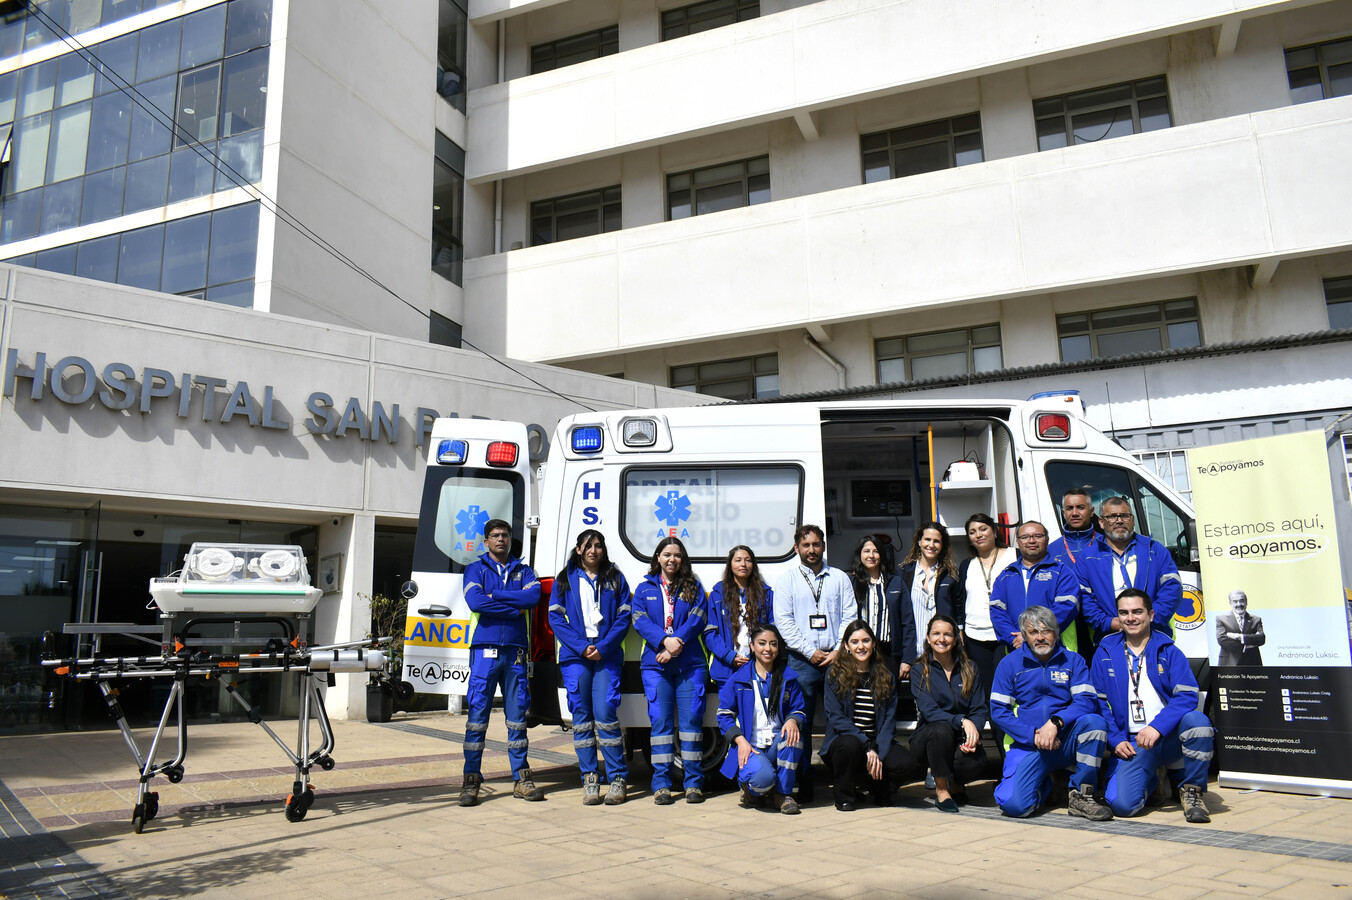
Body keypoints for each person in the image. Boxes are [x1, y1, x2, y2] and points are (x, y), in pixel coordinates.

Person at [1091, 588, 1215, 823]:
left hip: (1167, 736)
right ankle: (1154, 779)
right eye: (1124, 613)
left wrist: (1157, 727)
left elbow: (1187, 695)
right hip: (1133, 741)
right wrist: (1116, 740)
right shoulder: (1104, 652)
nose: (1131, 618)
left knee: (1198, 723)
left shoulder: (1168, 650)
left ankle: (1193, 792)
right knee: (1122, 806)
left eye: (1137, 611)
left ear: (1151, 615)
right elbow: (1096, 702)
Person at [990, 605, 1111, 820]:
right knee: (1015, 806)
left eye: (1046, 631)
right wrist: (1033, 735)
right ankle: (1045, 783)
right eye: (1033, 632)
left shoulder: (1073, 661)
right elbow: (999, 711)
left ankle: (1081, 795)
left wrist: (1056, 722)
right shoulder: (1009, 664)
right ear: (1025, 636)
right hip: (1029, 744)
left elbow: (1086, 701)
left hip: (1064, 740)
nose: (1040, 637)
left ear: (1056, 632)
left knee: (1095, 724)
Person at [458, 519, 544, 807]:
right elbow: (476, 602)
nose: (500, 540)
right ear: (486, 541)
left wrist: (499, 596)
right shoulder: (475, 569)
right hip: (485, 649)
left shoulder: (524, 570)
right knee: (477, 718)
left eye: (505, 535)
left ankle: (521, 778)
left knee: (517, 717)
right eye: (494, 536)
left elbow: (533, 597)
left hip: (516, 651)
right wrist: (513, 610)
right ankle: (471, 780)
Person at [548, 529, 632, 806]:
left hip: (606, 655)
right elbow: (556, 620)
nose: (594, 550)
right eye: (589, 546)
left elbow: (624, 617)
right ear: (578, 550)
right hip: (576, 656)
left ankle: (618, 779)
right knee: (581, 717)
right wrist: (581, 647)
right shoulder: (564, 580)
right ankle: (590, 780)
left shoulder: (615, 578)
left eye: (598, 545)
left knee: (606, 713)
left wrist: (604, 647)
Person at [772, 525, 854, 803]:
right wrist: (810, 652)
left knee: (840, 719)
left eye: (816, 545)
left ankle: (840, 778)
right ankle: (803, 780)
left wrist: (839, 650)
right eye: (805, 545)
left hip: (836, 659)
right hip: (801, 661)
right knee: (800, 723)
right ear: (797, 548)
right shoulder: (786, 581)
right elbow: (784, 622)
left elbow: (849, 616)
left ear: (823, 547)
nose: (811, 550)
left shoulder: (840, 578)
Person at [632, 536, 709, 805]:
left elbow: (699, 617)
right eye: (666, 554)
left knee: (691, 726)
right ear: (657, 558)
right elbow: (638, 620)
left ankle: (694, 784)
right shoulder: (644, 589)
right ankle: (662, 784)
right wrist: (664, 642)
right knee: (661, 725)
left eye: (677, 555)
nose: (672, 559)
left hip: (690, 664)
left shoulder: (694, 587)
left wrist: (676, 644)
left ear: (683, 559)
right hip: (656, 664)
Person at [820, 619, 922, 811]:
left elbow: (889, 722)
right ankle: (844, 796)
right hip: (846, 742)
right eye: (855, 642)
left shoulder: (886, 676)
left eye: (866, 641)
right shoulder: (834, 675)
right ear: (846, 646)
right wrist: (866, 745)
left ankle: (878, 787)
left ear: (874, 644)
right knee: (849, 745)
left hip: (876, 742)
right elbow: (835, 717)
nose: (861, 646)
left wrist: (877, 751)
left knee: (907, 763)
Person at [716, 623, 805, 815]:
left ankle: (783, 795)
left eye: (773, 644)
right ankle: (752, 790)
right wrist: (740, 741)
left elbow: (798, 710)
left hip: (776, 744)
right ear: (752, 645)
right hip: (751, 746)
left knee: (794, 738)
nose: (768, 649)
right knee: (763, 779)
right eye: (762, 643)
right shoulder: (739, 679)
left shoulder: (788, 677)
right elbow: (723, 715)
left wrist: (793, 720)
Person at [909, 614, 988, 813]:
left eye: (947, 634)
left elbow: (979, 709)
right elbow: (930, 712)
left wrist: (974, 732)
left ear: (956, 638)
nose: (941, 639)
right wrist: (962, 720)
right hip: (929, 738)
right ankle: (942, 790)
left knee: (975, 763)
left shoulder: (970, 668)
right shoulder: (919, 670)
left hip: (961, 736)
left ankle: (958, 783)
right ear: (928, 638)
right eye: (936, 634)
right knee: (940, 729)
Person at [1079, 497, 1182, 641]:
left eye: (1124, 516)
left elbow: (1172, 589)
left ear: (1133, 520)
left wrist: (1148, 619)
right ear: (1101, 522)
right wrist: (1109, 623)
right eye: (1112, 516)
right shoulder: (1087, 557)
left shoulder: (1155, 550)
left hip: (1154, 636)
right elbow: (1084, 599)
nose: (1119, 521)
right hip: (1110, 639)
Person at [956, 513, 1015, 727]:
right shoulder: (966, 565)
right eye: (972, 532)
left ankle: (1010, 733)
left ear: (994, 530)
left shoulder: (1014, 555)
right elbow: (962, 599)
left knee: (1007, 688)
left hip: (1006, 634)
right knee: (986, 688)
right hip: (975, 635)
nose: (978, 535)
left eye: (982, 529)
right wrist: (961, 629)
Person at [988, 521, 1082, 652]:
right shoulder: (1006, 575)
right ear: (1018, 542)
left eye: (1038, 536)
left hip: (1057, 651)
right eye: (1025, 537)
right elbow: (997, 611)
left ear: (1047, 539)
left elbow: (1067, 607)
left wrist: (1032, 634)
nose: (1031, 541)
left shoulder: (1061, 572)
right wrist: (1013, 638)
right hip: (1017, 649)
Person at [705, 545, 774, 689]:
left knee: (755, 710)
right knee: (729, 710)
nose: (743, 564)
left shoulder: (766, 594)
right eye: (738, 560)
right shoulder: (717, 595)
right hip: (726, 668)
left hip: (758, 667)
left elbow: (772, 630)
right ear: (730, 565)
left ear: (753, 565)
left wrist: (757, 655)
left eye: (748, 560)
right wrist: (729, 656)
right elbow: (710, 633)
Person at [894, 522, 960, 667]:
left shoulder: (950, 575)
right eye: (927, 540)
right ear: (919, 541)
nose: (931, 545)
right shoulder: (903, 573)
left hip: (942, 652)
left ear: (942, 545)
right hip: (912, 653)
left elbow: (958, 612)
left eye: (936, 541)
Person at [849, 535, 904, 663]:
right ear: (859, 555)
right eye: (866, 551)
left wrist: (906, 659)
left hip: (888, 651)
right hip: (859, 650)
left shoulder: (895, 582)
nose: (871, 556)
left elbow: (907, 621)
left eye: (876, 551)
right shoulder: (851, 582)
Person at [1048, 487, 1098, 567]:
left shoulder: (1105, 544)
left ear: (1091, 511)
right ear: (1064, 513)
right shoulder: (1050, 550)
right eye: (1070, 508)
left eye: (1080, 507)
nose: (1074, 513)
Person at [1216, 590, 1265, 666]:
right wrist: (1249, 643)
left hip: (1252, 663)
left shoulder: (1256, 619)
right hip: (1229, 664)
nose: (1239, 604)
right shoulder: (1221, 619)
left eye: (1241, 601)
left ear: (1246, 602)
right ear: (1230, 603)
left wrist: (1239, 637)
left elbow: (1261, 639)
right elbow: (1222, 640)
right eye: (1235, 601)